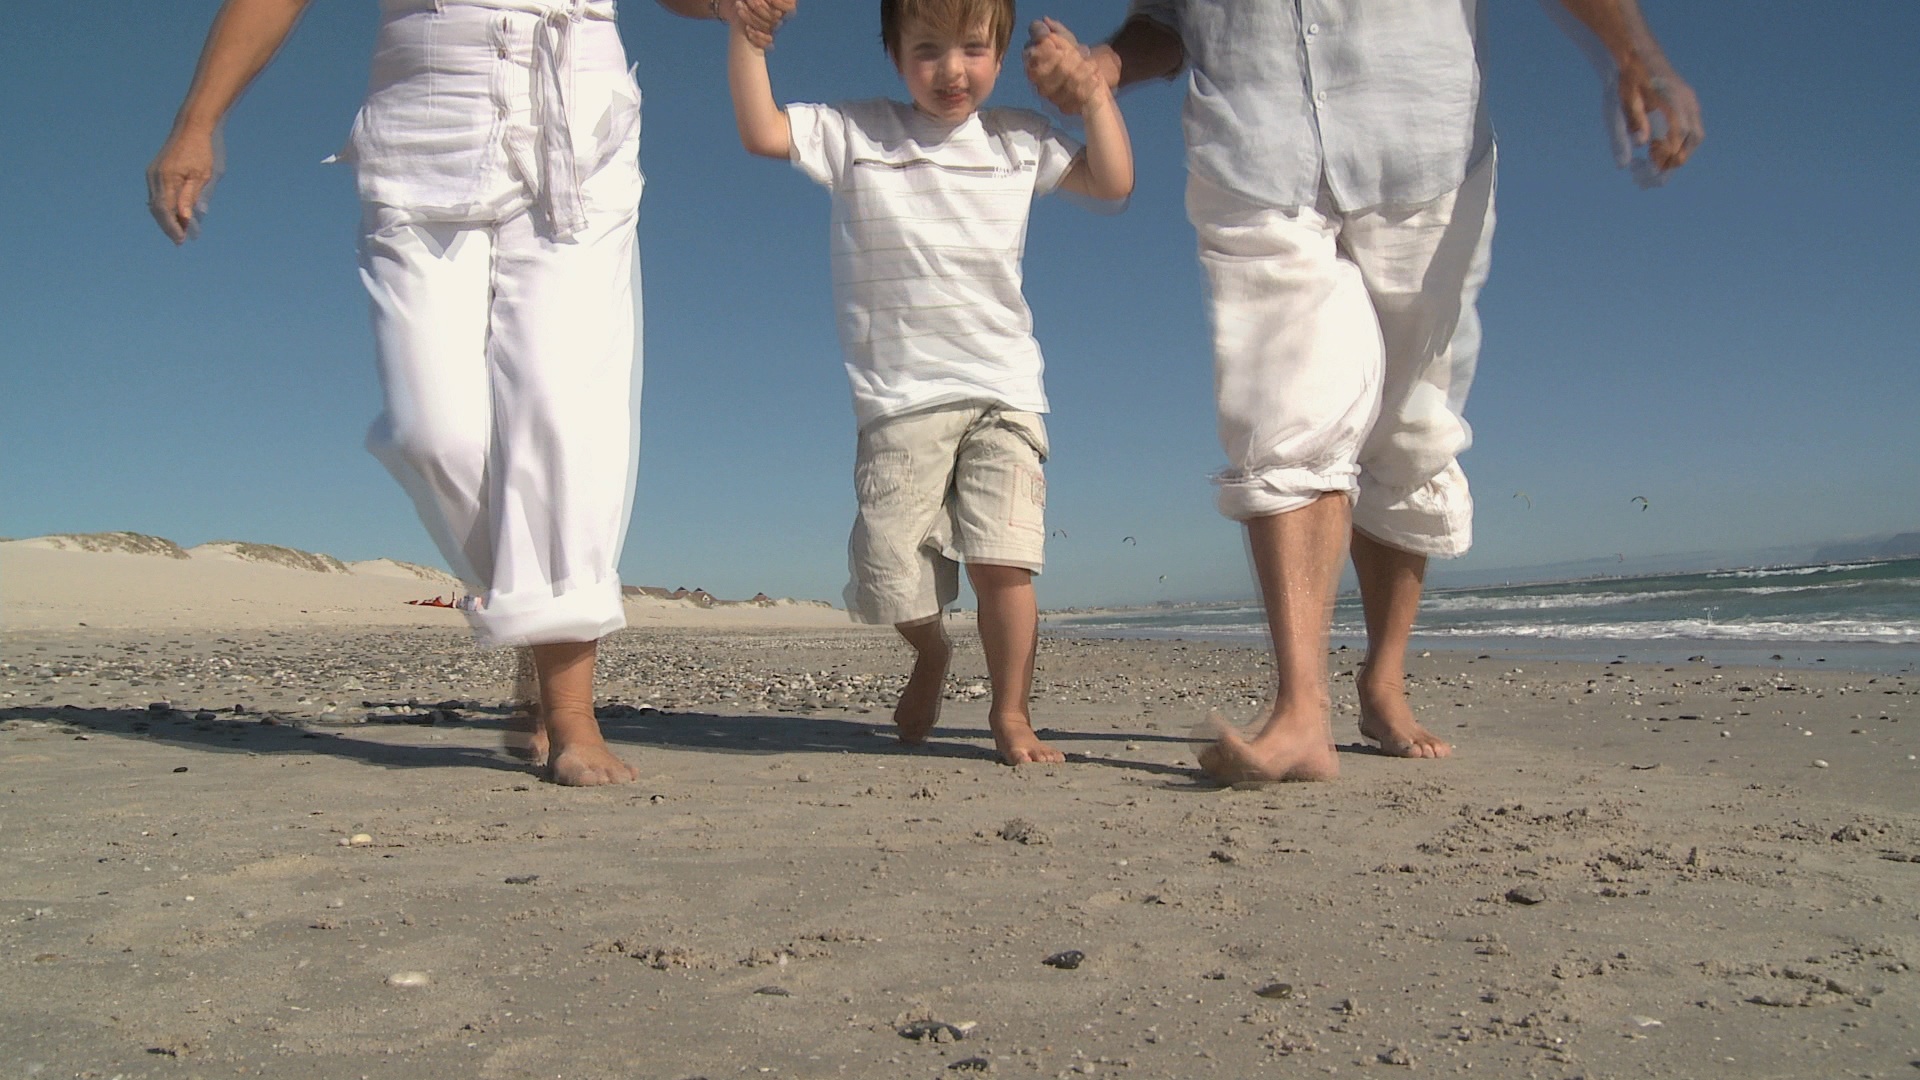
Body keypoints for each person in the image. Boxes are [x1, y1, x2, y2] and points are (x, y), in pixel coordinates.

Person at [1026, 1, 1702, 781]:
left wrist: (1635, 53)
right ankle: (1300, 709)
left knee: (1411, 424)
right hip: (1254, 155)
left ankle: (1382, 679)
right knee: (1278, 409)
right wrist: (1106, 65)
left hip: (1423, 156)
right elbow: (1172, 19)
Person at [147, 0, 795, 786]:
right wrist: (198, 118)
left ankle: (571, 712)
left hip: (578, 125)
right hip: (424, 120)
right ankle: (536, 621)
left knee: (559, 416)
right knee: (431, 433)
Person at [726, 0, 1132, 764]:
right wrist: (747, 42)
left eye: (974, 49)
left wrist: (1095, 95)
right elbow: (762, 131)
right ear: (893, 52)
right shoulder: (857, 130)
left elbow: (1112, 183)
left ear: (1002, 51)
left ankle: (1011, 714)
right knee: (888, 576)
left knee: (1003, 560)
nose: (953, 69)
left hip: (1003, 388)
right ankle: (932, 652)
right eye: (928, 50)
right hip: (900, 397)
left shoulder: (1019, 139)